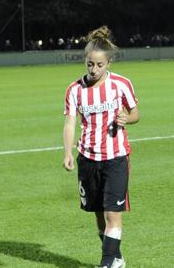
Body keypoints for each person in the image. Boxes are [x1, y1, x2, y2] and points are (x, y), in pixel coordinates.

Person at [63, 26, 139, 268]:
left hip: (116, 157)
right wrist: (67, 153)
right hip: (87, 158)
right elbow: (69, 123)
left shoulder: (121, 84)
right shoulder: (75, 90)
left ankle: (107, 263)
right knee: (98, 215)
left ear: (109, 63)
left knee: (112, 214)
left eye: (99, 65)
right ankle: (115, 257)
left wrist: (127, 118)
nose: (94, 70)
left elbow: (135, 113)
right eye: (89, 64)